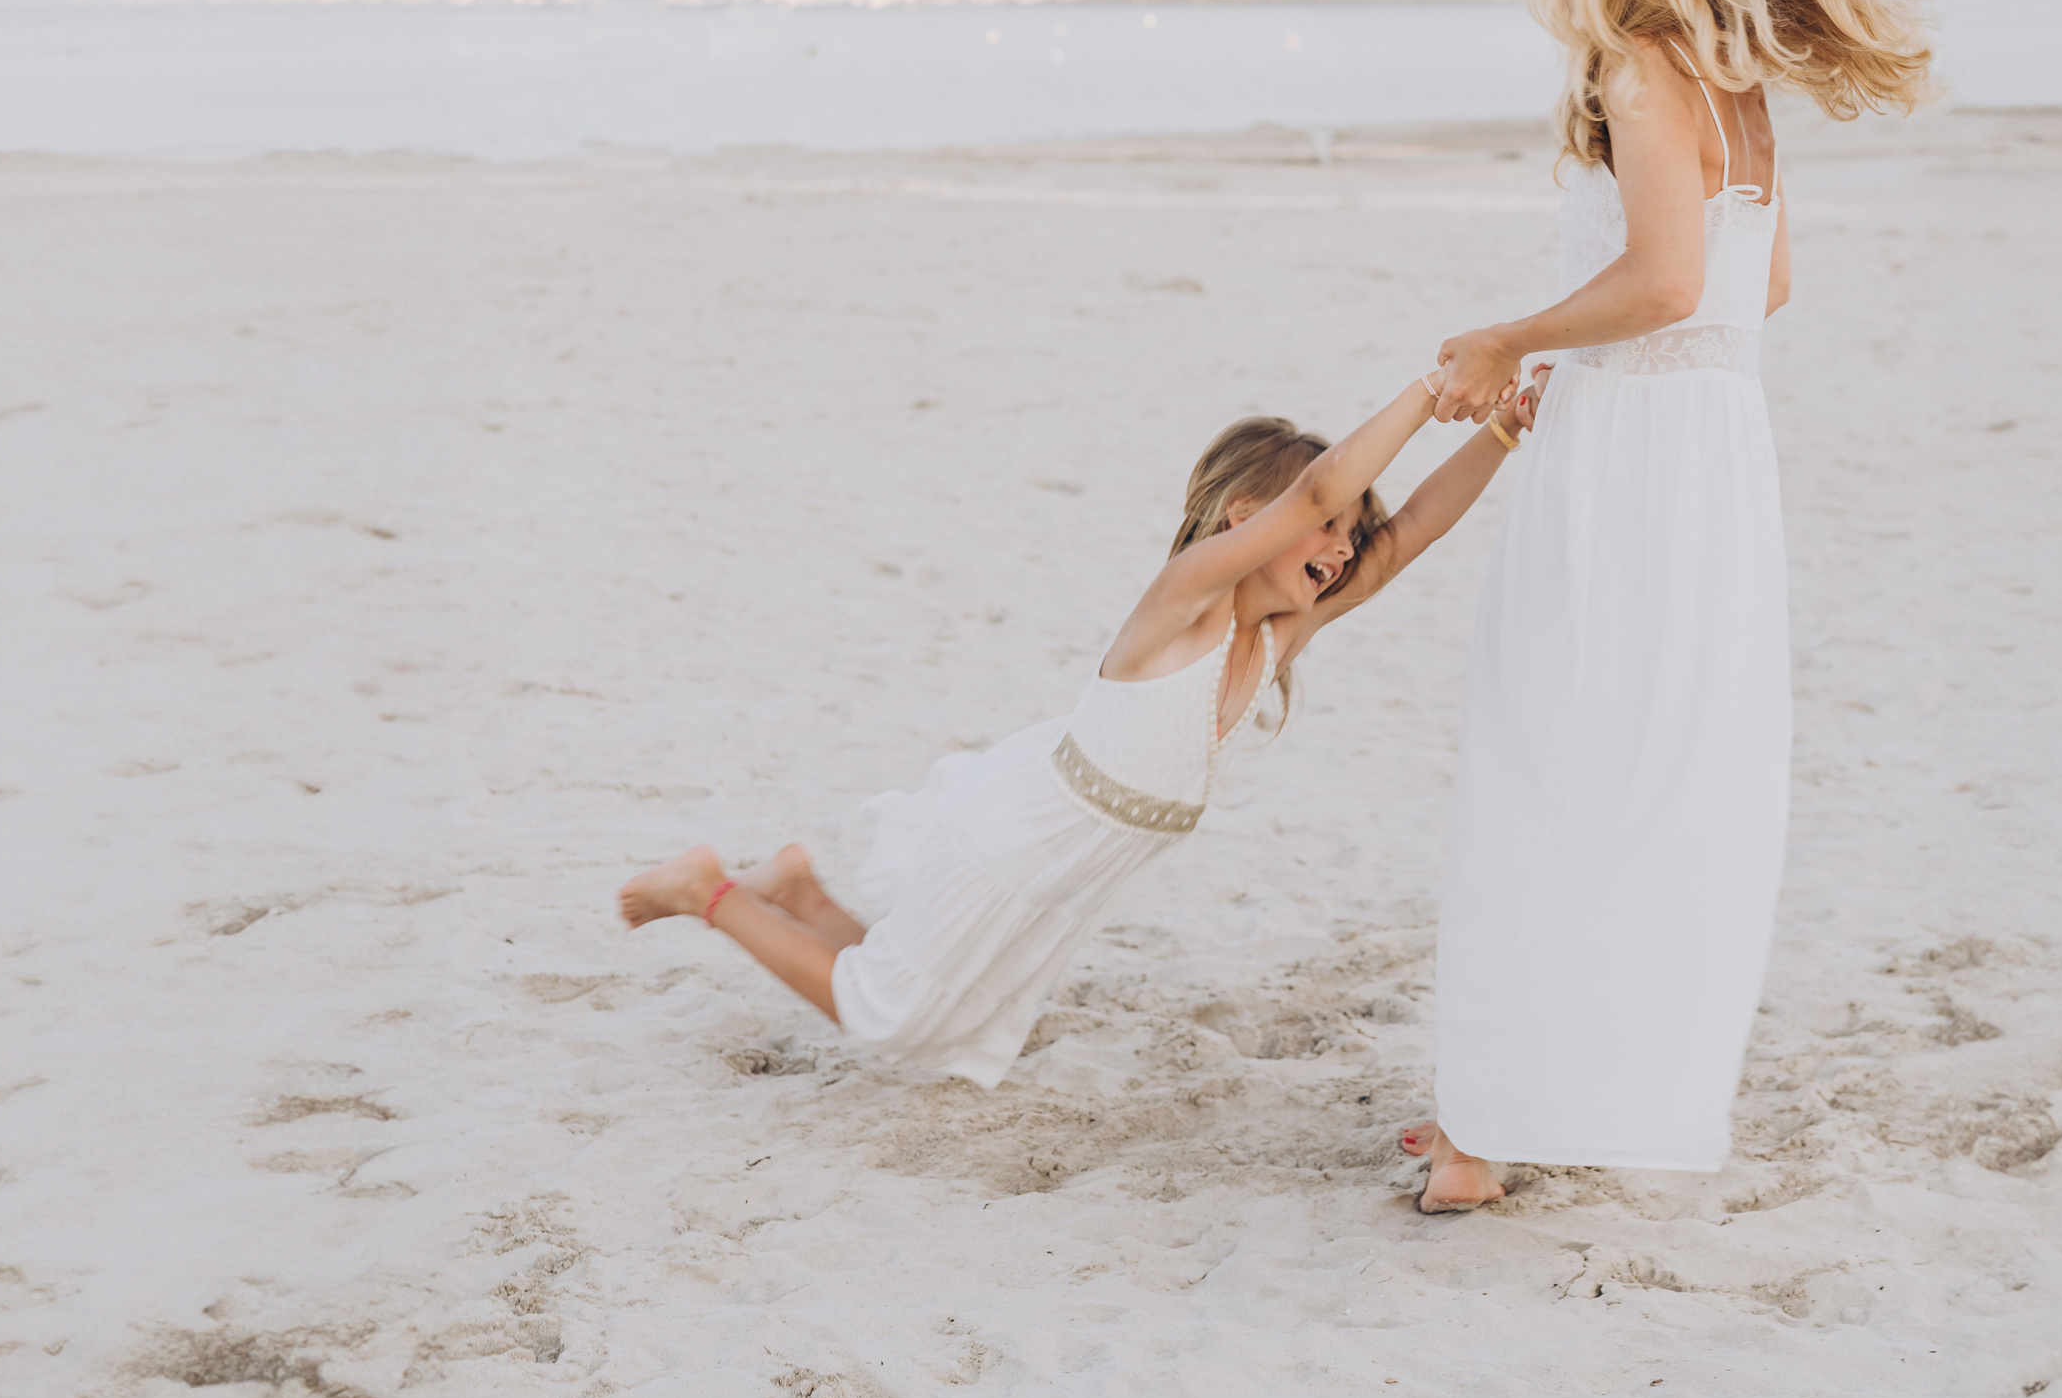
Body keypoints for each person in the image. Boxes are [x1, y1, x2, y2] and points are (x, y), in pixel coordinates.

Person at [1408, 0, 1931, 1212]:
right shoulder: (1735, 84)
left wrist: (1509, 336)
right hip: (1714, 450)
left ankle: (1481, 1132)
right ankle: (1554, 1093)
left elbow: (1663, 282)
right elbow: (1757, 290)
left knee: (1546, 755)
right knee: (1661, 770)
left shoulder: (1638, 69)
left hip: (1630, 445)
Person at [620, 368, 1537, 1089]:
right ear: (1245, 521)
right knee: (893, 1018)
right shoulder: (1183, 607)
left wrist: (1501, 430)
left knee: (945, 1013)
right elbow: (1311, 497)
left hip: (1073, 869)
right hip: (1021, 837)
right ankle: (709, 891)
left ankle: (801, 893)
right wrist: (1434, 391)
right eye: (1328, 526)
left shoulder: (1275, 634)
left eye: (1347, 533)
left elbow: (1407, 536)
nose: (1341, 547)